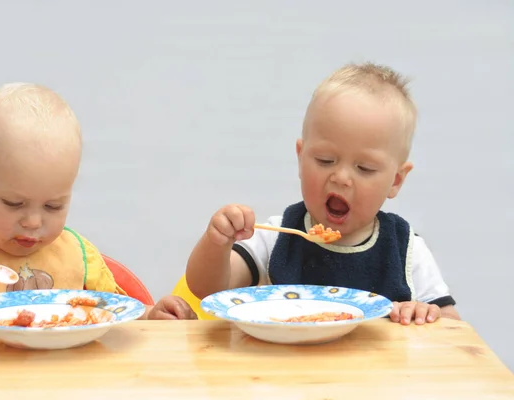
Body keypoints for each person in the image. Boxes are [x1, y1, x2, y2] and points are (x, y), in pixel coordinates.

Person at [185, 62, 459, 325]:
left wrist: (423, 314)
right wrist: (216, 242)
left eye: (364, 168)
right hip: (285, 368)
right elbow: (207, 289)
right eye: (325, 160)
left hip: (376, 372)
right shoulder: (277, 236)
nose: (340, 178)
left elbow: (452, 328)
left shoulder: (407, 250)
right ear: (300, 157)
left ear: (396, 181)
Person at [0, 83, 196, 322]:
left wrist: (152, 315)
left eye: (53, 206)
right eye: (14, 203)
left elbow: (117, 314)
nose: (34, 221)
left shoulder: (80, 257)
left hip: (63, 382)